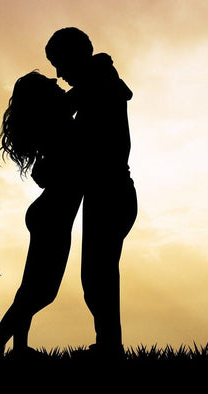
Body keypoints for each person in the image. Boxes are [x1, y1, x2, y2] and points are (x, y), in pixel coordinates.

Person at [45, 27, 137, 359]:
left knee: (99, 278)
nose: (58, 73)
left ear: (75, 57)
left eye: (59, 63)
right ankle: (108, 346)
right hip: (108, 194)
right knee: (98, 277)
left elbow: (67, 123)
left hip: (111, 193)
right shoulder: (97, 83)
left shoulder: (98, 86)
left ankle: (110, 349)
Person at [0, 71, 83, 357]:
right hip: (53, 214)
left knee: (31, 288)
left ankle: (18, 348)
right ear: (43, 97)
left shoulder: (53, 119)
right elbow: (84, 91)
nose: (57, 83)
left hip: (46, 212)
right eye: (50, 84)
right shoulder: (57, 118)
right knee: (42, 292)